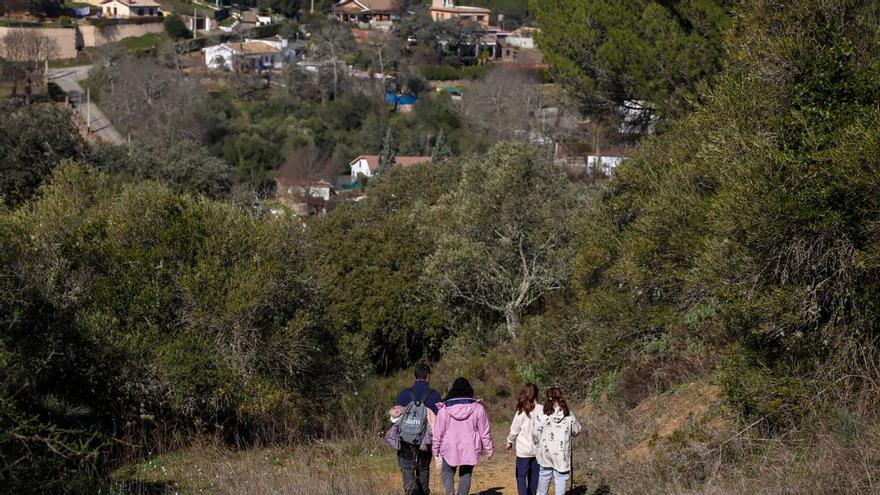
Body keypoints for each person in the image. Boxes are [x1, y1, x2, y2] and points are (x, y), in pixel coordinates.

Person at [433, 377, 494, 495]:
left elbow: (438, 432)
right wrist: (489, 449)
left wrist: (435, 448)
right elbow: (484, 431)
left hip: (449, 447)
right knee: (466, 473)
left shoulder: (444, 409)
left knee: (447, 471)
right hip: (470, 447)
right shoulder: (478, 408)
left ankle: (449, 493)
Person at [395, 363, 442, 495]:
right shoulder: (435, 395)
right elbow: (440, 420)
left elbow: (396, 417)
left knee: (407, 468)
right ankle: (424, 492)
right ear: (428, 377)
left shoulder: (404, 394)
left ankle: (411, 491)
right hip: (425, 440)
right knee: (424, 468)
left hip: (406, 439)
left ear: (414, 376)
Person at [533, 387, 581, 495]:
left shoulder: (542, 416)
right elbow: (577, 430)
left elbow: (535, 434)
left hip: (546, 453)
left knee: (544, 477)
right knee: (561, 479)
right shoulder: (569, 415)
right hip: (562, 455)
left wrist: (538, 445)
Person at [507, 383, 540, 495]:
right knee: (534, 475)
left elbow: (514, 430)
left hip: (523, 451)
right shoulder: (542, 410)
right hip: (537, 450)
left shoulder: (521, 411)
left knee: (521, 476)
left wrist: (510, 441)